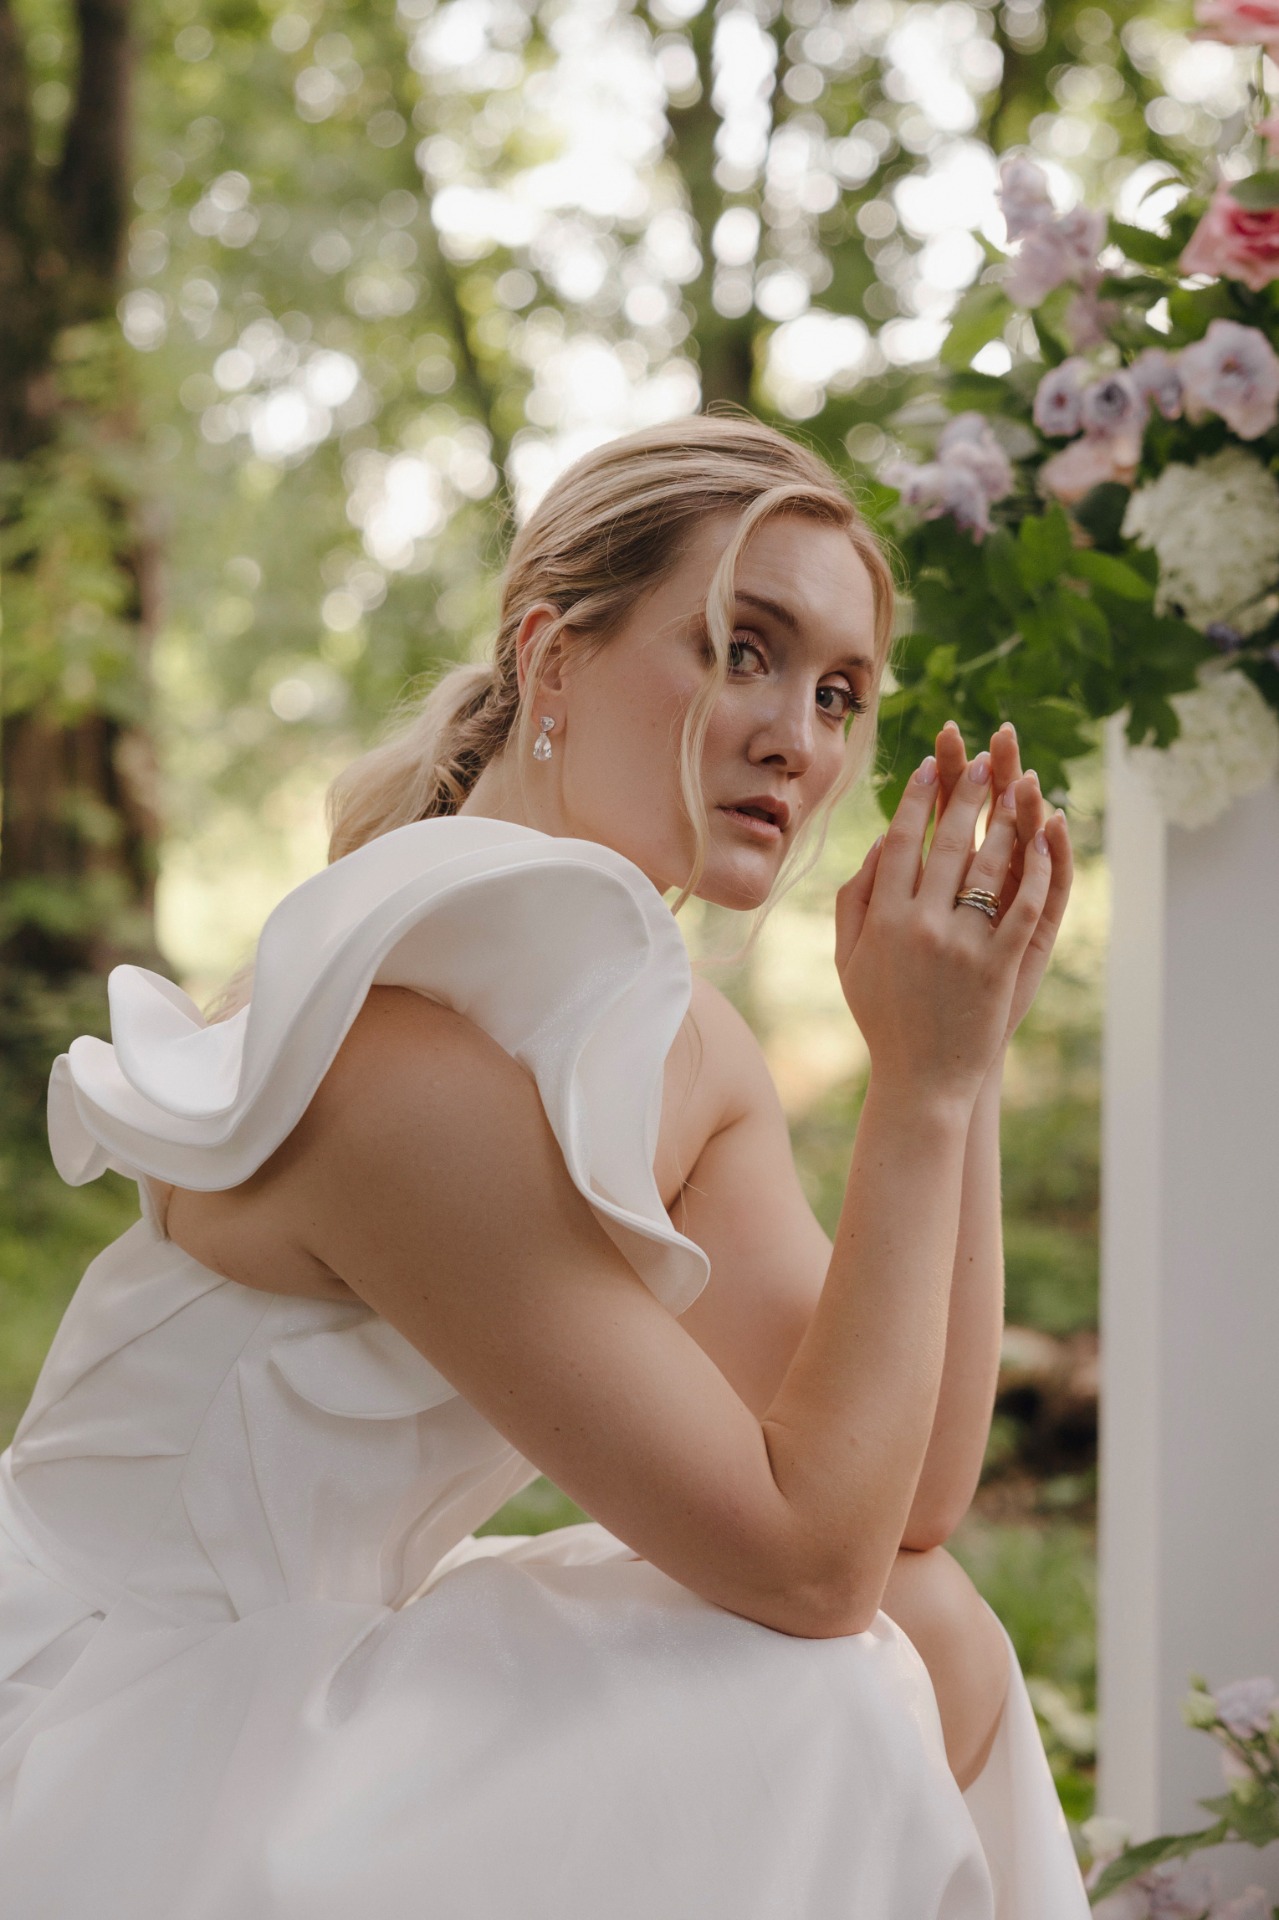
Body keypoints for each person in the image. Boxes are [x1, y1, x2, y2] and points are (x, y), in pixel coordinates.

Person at [0, 415, 1089, 1917]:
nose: (800, 736)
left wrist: (950, 1068)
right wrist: (920, 1094)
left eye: (840, 693)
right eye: (743, 650)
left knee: (936, 1625)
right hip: (114, 1709)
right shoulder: (392, 1055)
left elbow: (901, 1509)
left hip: (306, 1669)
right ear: (553, 660)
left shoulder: (691, 1054)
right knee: (845, 1689)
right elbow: (809, 1567)